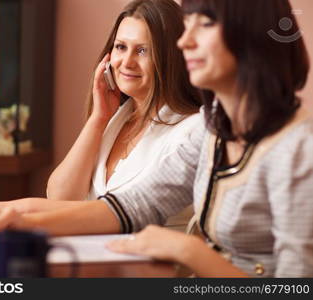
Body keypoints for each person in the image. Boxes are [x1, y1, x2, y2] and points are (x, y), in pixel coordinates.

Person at [106, 0, 313, 277]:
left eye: (204, 24)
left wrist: (189, 251)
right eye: (187, 24)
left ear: (251, 35)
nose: (184, 42)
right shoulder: (214, 125)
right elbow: (141, 202)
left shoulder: (299, 149)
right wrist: (30, 218)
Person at [0, 0, 199, 223]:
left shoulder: (191, 131)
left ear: (172, 58)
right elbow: (60, 196)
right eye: (120, 47)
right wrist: (98, 119)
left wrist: (20, 210)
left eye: (142, 51)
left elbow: (122, 213)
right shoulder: (117, 119)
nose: (126, 62)